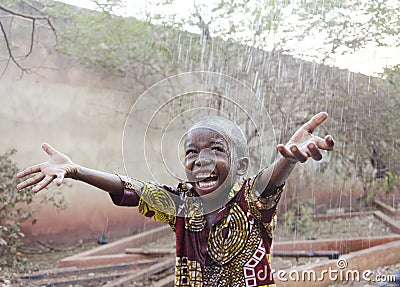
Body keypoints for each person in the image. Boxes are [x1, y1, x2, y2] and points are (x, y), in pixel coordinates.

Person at [17, 111, 334, 286]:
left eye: (216, 149)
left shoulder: (250, 198)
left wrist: (289, 160)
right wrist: (77, 170)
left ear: (240, 166)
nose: (201, 160)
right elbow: (131, 187)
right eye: (192, 152)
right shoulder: (181, 204)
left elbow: (269, 181)